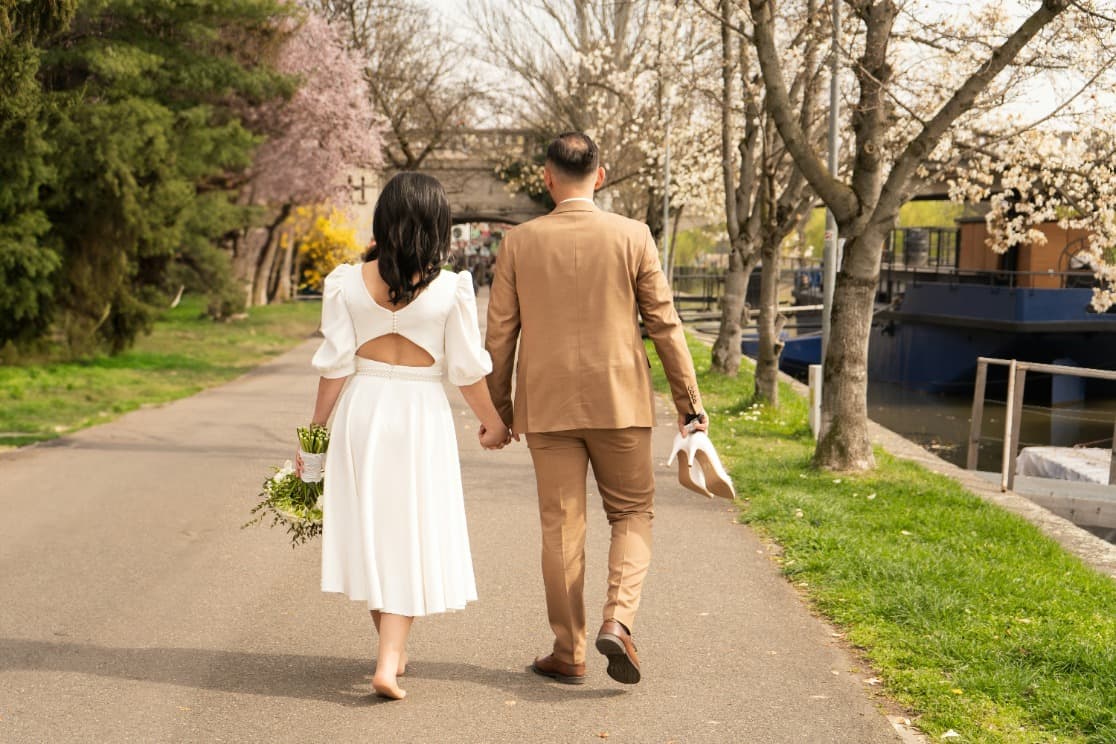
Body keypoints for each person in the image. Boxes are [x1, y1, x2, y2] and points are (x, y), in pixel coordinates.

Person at [485, 132, 708, 686]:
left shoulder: (519, 242)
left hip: (548, 405)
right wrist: (689, 404)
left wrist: (499, 408)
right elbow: (663, 323)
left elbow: (499, 335)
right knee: (632, 513)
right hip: (621, 400)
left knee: (562, 527)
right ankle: (618, 619)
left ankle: (570, 651)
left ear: (547, 177)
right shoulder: (633, 235)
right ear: (601, 175)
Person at [302, 172, 511, 700]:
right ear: (438, 223)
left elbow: (334, 367)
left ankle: (392, 650)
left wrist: (314, 437)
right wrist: (493, 422)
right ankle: (388, 660)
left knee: (376, 530)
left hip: (362, 409)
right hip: (420, 414)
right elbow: (466, 371)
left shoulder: (347, 282)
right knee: (410, 532)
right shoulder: (451, 289)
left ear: (384, 219)